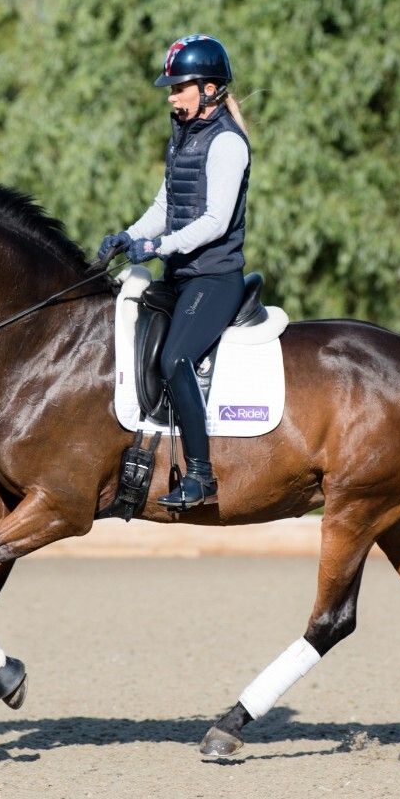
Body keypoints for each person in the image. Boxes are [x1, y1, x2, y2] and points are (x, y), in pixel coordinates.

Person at [98, 34, 251, 511]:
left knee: (174, 359)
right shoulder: (183, 135)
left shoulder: (227, 142)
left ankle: (202, 476)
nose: (171, 95)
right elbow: (165, 206)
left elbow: (214, 223)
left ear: (209, 88)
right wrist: (128, 236)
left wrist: (156, 247)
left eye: (178, 87)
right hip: (180, 276)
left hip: (214, 278)